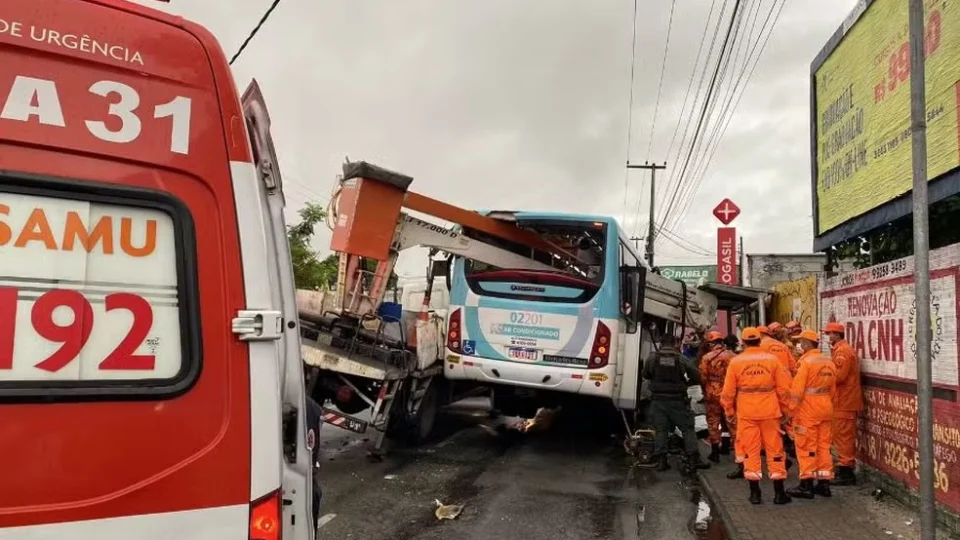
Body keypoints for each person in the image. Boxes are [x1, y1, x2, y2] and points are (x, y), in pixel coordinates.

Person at [720, 327, 793, 505]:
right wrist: (787, 413)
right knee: (775, 451)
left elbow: (728, 392)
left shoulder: (736, 362)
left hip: (746, 413)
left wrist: (729, 412)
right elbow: (784, 390)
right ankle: (779, 493)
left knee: (750, 452)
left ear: (743, 342)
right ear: (760, 340)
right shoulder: (772, 360)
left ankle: (755, 494)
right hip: (770, 412)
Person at [643, 333, 711, 473]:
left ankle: (661, 461)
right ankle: (693, 460)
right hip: (677, 401)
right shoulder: (681, 358)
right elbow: (697, 376)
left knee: (661, 429)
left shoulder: (652, 358)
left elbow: (645, 374)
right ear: (674, 343)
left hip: (658, 401)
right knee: (687, 429)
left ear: (661, 343)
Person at [784, 330, 837, 499]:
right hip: (825, 408)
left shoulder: (805, 362)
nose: (799, 345)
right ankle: (824, 483)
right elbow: (833, 390)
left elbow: (797, 391)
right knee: (823, 447)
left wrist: (790, 412)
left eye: (801, 342)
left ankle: (806, 484)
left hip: (808, 410)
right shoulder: (828, 362)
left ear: (807, 344)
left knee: (806, 446)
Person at [823, 321, 862, 485]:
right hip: (842, 401)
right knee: (841, 437)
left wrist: (823, 376)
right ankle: (844, 468)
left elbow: (839, 377)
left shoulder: (842, 351)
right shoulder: (840, 350)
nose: (827, 336)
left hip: (844, 401)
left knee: (844, 437)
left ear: (837, 335)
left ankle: (846, 472)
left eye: (829, 333)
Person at [699, 331, 735, 463]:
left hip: (712, 394)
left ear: (711, 343)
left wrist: (705, 389)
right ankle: (739, 454)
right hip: (729, 393)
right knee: (731, 422)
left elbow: (702, 377)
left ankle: (715, 452)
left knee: (713, 422)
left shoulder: (707, 358)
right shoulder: (733, 356)